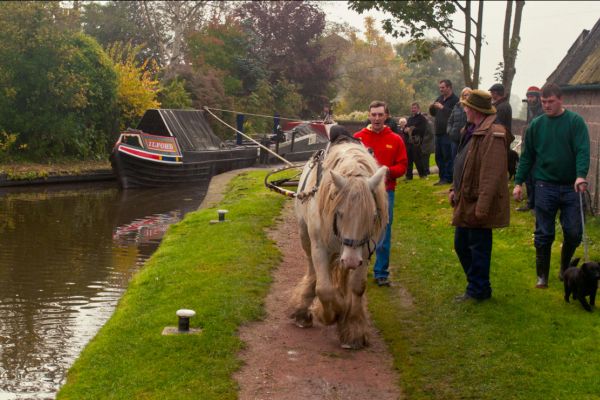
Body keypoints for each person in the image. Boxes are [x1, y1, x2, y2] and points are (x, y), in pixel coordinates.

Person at [513, 83, 590, 289]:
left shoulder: (575, 122)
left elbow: (583, 150)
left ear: (560, 99)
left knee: (574, 232)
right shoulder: (536, 126)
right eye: (543, 102)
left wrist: (581, 175)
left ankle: (565, 268)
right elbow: (527, 156)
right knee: (544, 233)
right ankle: (542, 276)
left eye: (550, 102)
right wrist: (518, 182)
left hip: (571, 186)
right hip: (544, 185)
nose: (546, 105)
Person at [448, 90, 510, 302]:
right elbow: (464, 163)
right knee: (462, 245)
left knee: (477, 248)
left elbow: (490, 174)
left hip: (477, 202)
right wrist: (454, 190)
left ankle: (478, 290)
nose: (464, 109)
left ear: (475, 110)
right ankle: (479, 286)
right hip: (465, 199)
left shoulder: (493, 133)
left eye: (466, 106)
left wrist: (482, 206)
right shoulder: (473, 129)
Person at [355, 100, 408, 287]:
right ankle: (357, 266)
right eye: (374, 114)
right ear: (369, 115)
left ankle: (381, 272)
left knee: (383, 230)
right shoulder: (358, 138)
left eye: (380, 114)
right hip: (362, 193)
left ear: (386, 116)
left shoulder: (395, 139)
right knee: (357, 227)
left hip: (386, 192)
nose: (377, 118)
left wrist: (387, 171)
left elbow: (402, 166)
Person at [516, 86, 544, 212]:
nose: (529, 99)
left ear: (538, 98)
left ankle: (537, 204)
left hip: (538, 148)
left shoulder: (542, 111)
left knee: (536, 177)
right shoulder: (530, 109)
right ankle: (530, 202)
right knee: (528, 176)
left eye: (532, 96)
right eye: (528, 96)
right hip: (528, 146)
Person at [429, 79, 459, 185]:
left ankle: (448, 178)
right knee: (438, 156)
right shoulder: (440, 98)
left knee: (448, 156)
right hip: (438, 132)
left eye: (443, 87)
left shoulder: (455, 100)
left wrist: (442, 107)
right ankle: (442, 178)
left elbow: (455, 114)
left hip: (447, 133)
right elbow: (433, 114)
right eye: (440, 87)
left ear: (449, 87)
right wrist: (432, 107)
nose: (440, 89)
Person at [402, 102, 429, 179]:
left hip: (417, 142)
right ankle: (409, 176)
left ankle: (423, 175)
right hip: (409, 142)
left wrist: (411, 129)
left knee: (418, 159)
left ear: (418, 109)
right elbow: (405, 128)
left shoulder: (422, 118)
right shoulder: (410, 119)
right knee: (409, 159)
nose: (413, 109)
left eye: (414, 108)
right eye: (412, 108)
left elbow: (422, 130)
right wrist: (405, 130)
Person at [447, 87, 472, 160]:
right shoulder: (457, 106)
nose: (467, 97)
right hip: (455, 138)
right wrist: (450, 131)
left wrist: (466, 128)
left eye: (468, 95)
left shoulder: (473, 107)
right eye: (465, 95)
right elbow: (450, 121)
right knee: (454, 160)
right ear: (462, 96)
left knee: (464, 160)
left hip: (466, 139)